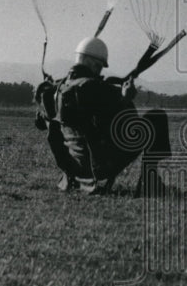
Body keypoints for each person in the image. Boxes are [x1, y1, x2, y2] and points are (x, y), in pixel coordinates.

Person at [36, 37, 171, 194]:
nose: (100, 71)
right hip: (100, 166)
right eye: (99, 66)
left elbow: (40, 123)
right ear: (92, 63)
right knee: (156, 117)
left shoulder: (57, 88)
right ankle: (151, 181)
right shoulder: (97, 87)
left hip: (74, 166)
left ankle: (73, 179)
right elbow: (120, 126)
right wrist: (125, 100)